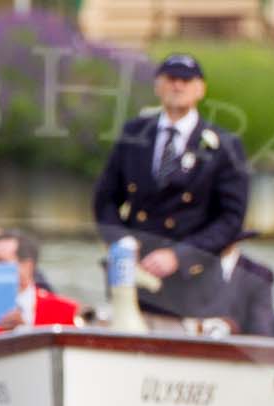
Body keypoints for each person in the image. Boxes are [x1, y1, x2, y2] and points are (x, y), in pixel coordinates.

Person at [91, 53, 251, 321]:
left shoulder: (224, 144)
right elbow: (105, 199)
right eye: (171, 79)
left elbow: (231, 218)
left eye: (186, 80)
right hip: (136, 275)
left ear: (200, 89)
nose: (178, 86)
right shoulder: (135, 133)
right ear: (157, 86)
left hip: (192, 280)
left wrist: (180, 256)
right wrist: (122, 243)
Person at [210, 229, 274, 337]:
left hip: (237, 350)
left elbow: (261, 331)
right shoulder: (186, 270)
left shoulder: (258, 275)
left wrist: (230, 328)